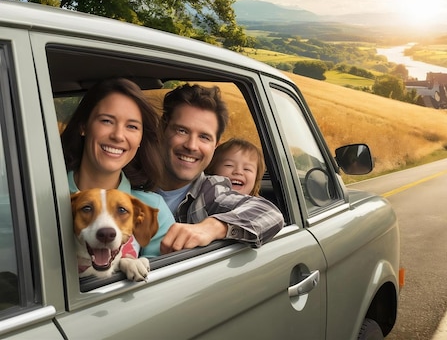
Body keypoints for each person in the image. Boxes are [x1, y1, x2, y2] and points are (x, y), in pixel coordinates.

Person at [156, 84, 283, 254]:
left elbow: (269, 214)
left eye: (204, 137)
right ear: (162, 130)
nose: (191, 146)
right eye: (182, 130)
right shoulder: (129, 179)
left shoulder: (211, 191)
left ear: (215, 146)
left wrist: (212, 227)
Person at [61, 78, 175, 258]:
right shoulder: (41, 199)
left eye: (132, 126)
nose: (118, 136)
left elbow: (163, 280)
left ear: (140, 139)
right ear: (83, 126)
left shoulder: (152, 208)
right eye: (107, 121)